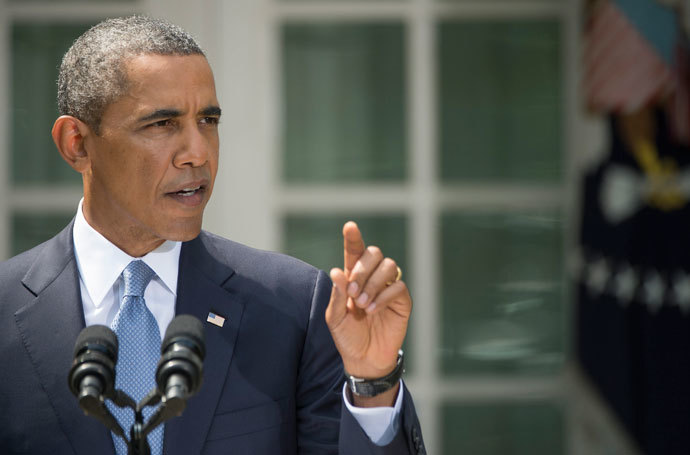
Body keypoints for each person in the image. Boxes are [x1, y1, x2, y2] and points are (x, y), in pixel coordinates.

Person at [0, 16, 425, 455]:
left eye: (207, 120)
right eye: (162, 124)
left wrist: (373, 382)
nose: (198, 152)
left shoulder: (295, 305)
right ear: (77, 144)